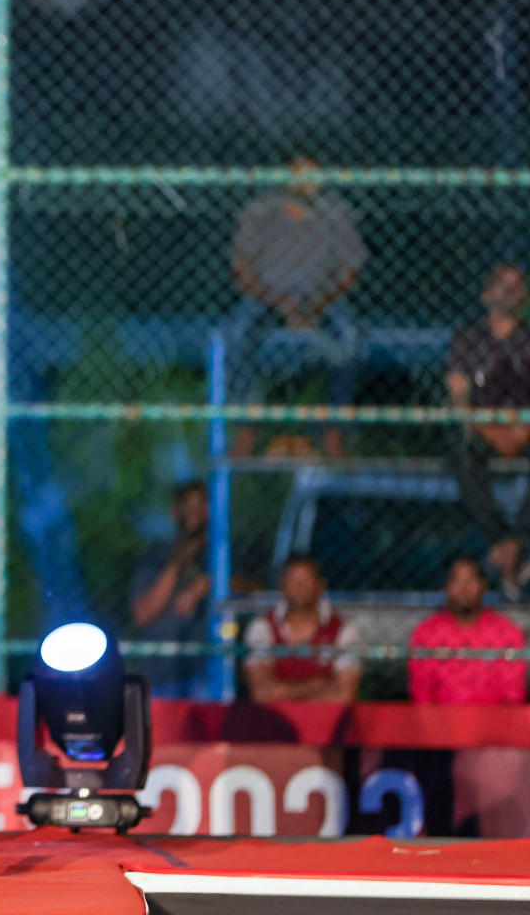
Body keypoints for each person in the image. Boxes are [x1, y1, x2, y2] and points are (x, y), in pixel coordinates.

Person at [226, 155, 365, 456]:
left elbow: (349, 271)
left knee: (350, 336)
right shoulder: (260, 211)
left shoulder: (336, 212)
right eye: (300, 172)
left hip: (321, 298)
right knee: (237, 333)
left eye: (313, 173)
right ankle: (247, 427)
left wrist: (317, 304)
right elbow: (241, 268)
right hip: (268, 297)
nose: (307, 181)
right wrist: (280, 302)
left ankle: (334, 431)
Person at [447, 264, 530, 596]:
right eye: (501, 284)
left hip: (529, 429)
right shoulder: (467, 340)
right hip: (485, 430)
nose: (509, 291)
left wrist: (524, 430)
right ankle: (506, 542)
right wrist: (491, 429)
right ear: (485, 294)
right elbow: (458, 397)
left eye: (516, 285)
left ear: (526, 297)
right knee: (460, 455)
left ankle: (515, 542)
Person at [129, 480, 211, 698]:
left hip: (209, 671)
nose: (195, 513)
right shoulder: (158, 555)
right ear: (174, 512)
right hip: (162, 675)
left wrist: (204, 587)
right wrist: (178, 562)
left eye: (201, 505)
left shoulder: (220, 553)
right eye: (188, 506)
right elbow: (143, 614)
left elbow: (253, 585)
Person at [408, 557, 527, 705]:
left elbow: (513, 695)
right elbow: (422, 694)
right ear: (445, 587)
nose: (464, 588)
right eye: (457, 581)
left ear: (484, 586)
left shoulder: (507, 632)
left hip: (495, 722)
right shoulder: (427, 633)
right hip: (440, 723)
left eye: (471, 580)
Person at [243, 554, 361, 704]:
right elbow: (262, 694)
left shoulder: (343, 630)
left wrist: (284, 692)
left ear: (320, 585)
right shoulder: (262, 628)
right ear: (281, 585)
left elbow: (344, 697)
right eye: (293, 580)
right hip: (275, 723)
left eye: (306, 580)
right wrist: (312, 688)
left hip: (327, 722)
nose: (299, 587)